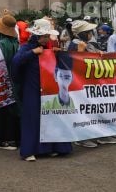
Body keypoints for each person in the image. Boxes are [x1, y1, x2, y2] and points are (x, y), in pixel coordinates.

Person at [11, 18, 71, 161]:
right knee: (32, 118)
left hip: (48, 88)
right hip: (31, 88)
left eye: (47, 36)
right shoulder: (26, 47)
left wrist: (55, 53)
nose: (46, 39)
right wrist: (32, 53)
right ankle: (29, 150)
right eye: (44, 36)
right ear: (37, 36)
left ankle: (51, 148)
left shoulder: (48, 48)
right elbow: (15, 63)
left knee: (50, 117)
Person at [68, 20, 116, 147]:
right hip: (81, 84)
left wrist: (100, 54)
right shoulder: (74, 45)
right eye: (88, 31)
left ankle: (99, 134)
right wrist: (80, 52)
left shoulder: (89, 44)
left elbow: (95, 56)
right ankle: (81, 137)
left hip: (93, 82)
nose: (91, 33)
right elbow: (73, 65)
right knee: (84, 110)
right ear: (82, 33)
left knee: (96, 109)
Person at [0, 11, 21, 150]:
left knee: (3, 110)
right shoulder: (16, 43)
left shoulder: (1, 44)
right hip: (15, 80)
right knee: (14, 109)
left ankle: (4, 139)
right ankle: (15, 138)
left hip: (3, 80)